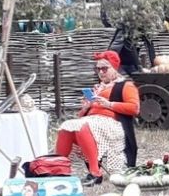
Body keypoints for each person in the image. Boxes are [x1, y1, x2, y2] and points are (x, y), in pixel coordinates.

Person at [54, 50, 140, 184]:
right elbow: (82, 115)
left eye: (104, 68)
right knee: (66, 127)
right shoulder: (97, 88)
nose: (101, 72)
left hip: (113, 123)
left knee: (83, 125)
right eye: (98, 69)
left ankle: (95, 172)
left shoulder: (125, 85)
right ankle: (57, 170)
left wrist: (109, 104)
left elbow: (135, 108)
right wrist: (86, 107)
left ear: (114, 67)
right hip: (92, 122)